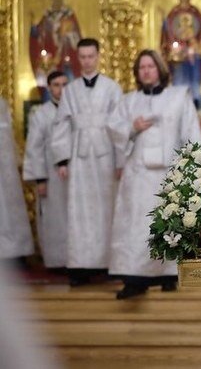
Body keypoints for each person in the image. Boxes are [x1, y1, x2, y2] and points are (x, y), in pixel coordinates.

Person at [107, 49, 201, 300]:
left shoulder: (178, 97)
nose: (146, 71)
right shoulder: (129, 101)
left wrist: (191, 167)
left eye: (150, 66)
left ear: (160, 69)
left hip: (168, 174)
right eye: (142, 67)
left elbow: (191, 132)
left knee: (167, 222)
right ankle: (134, 279)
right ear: (137, 73)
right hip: (137, 175)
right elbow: (114, 130)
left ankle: (168, 275)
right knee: (136, 226)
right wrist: (132, 127)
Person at [50, 38, 122, 286]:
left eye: (91, 56)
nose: (87, 61)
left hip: (105, 156)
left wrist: (121, 160)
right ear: (77, 58)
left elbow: (119, 125)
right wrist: (62, 160)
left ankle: (109, 263)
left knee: (107, 208)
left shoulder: (112, 88)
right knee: (79, 210)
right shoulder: (70, 90)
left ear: (98, 56)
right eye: (83, 57)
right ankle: (80, 266)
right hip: (79, 158)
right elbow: (61, 124)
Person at [23, 71, 69, 271]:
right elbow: (34, 148)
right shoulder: (40, 114)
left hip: (74, 175)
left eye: (65, 85)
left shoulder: (75, 111)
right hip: (50, 175)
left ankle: (77, 261)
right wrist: (40, 179)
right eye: (56, 85)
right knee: (53, 217)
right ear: (50, 88)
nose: (61, 89)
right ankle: (56, 260)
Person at [160, 0, 201, 109]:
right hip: (178, 56)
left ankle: (196, 107)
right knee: (179, 82)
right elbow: (168, 33)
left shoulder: (195, 12)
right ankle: (179, 107)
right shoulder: (173, 13)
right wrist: (173, 49)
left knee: (195, 82)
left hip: (194, 54)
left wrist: (199, 45)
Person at [29, 0, 81, 100]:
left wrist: (67, 35)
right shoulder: (47, 17)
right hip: (51, 61)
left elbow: (77, 40)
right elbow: (39, 36)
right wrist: (33, 27)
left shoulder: (69, 15)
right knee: (50, 91)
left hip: (66, 59)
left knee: (70, 90)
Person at [0, 98, 34, 266]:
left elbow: (8, 132)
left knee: (9, 207)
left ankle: (15, 252)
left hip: (5, 166)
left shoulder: (1, 103)